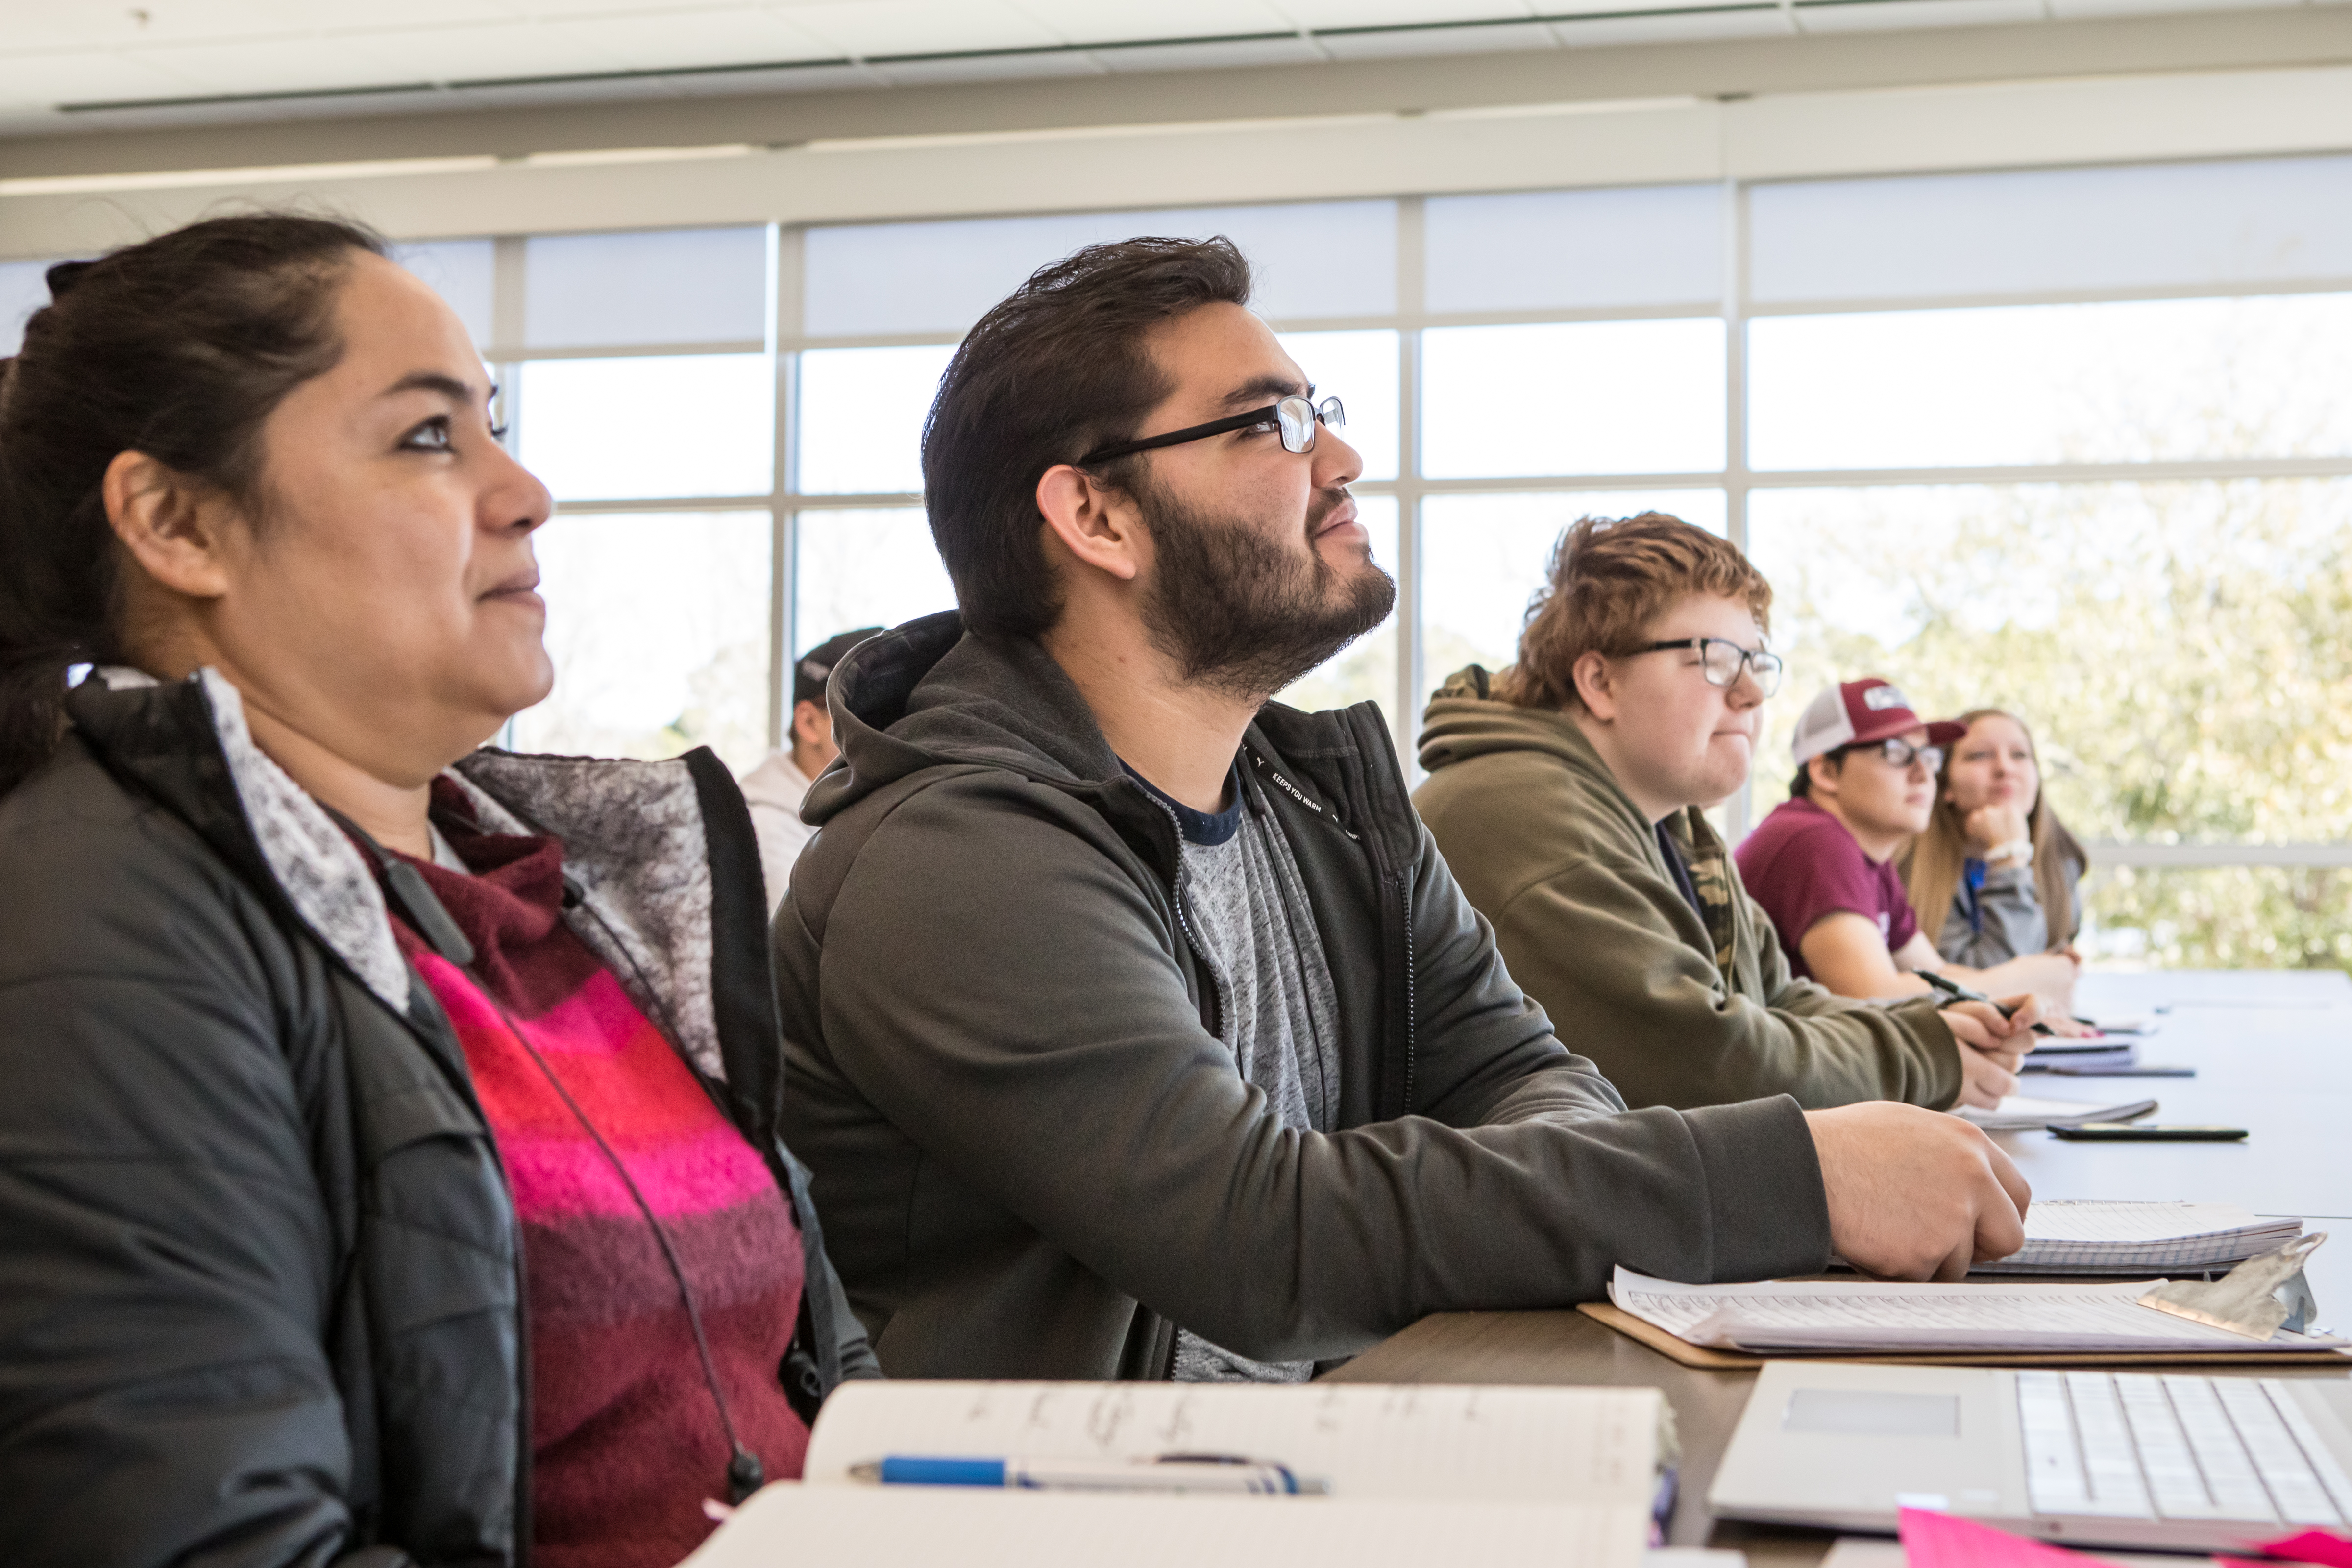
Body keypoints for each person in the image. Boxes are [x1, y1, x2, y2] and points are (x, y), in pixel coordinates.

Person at [771, 235, 2032, 1385]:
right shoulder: (953, 853)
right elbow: (1258, 1237)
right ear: (1094, 514)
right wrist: (1792, 1177)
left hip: (1359, 1430)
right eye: (1267, 423)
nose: (1339, 458)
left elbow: (1523, 1073)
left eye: (1317, 411)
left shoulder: (1320, 804)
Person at [0, 215, 875, 1568]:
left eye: (498, 424)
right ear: (176, 523)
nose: (524, 490)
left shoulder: (553, 901)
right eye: (428, 438)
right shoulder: (96, 939)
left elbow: (797, 1371)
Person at [1414, 513, 2036, 1115]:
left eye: (1756, 664)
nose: (1750, 693)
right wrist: (1927, 1052)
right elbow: (1709, 1066)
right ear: (1600, 681)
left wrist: (1936, 1026)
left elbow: (1778, 999)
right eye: (1714, 658)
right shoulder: (1523, 809)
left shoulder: (1671, 823)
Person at [1736, 679, 2079, 1009]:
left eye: (1928, 756)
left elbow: (1937, 978)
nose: (1923, 773)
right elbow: (1873, 998)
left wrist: (2024, 1006)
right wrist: (2027, 978)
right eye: (1896, 753)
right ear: (1826, 772)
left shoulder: (1871, 857)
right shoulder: (1813, 840)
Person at [1901, 708, 2088, 968]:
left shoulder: (2061, 860)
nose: (2005, 768)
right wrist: (2008, 857)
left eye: (2020, 755)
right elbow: (1994, 982)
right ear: (1945, 785)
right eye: (1980, 756)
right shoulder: (1909, 864)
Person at [740, 625, 882, 908]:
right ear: (808, 723)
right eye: (867, 713)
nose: (886, 732)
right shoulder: (767, 830)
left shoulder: (852, 807)